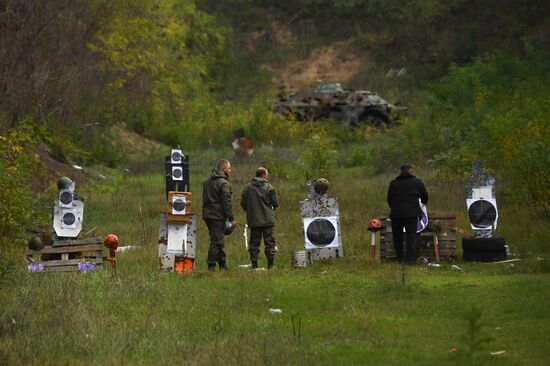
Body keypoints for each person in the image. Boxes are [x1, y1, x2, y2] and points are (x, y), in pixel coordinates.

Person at [387, 164, 429, 264]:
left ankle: (399, 259)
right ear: (410, 171)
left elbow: (389, 199)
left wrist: (395, 207)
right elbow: (425, 196)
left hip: (396, 214)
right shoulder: (417, 182)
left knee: (398, 237)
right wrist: (423, 202)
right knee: (411, 237)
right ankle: (410, 260)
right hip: (412, 214)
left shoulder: (394, 183)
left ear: (400, 171)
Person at [241, 167, 279, 269]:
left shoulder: (247, 188)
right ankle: (270, 265)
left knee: (254, 243)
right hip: (268, 221)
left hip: (254, 221)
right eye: (267, 174)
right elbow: (275, 203)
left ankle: (254, 265)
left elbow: (243, 204)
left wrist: (252, 211)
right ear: (263, 175)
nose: (268, 176)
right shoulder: (269, 187)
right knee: (270, 242)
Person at [202, 159, 236, 271]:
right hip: (217, 216)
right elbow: (226, 203)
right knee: (216, 241)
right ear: (224, 168)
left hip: (207, 215)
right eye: (229, 168)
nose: (230, 170)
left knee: (218, 239)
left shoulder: (206, 182)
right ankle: (211, 266)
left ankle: (223, 264)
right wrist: (231, 218)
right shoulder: (224, 184)